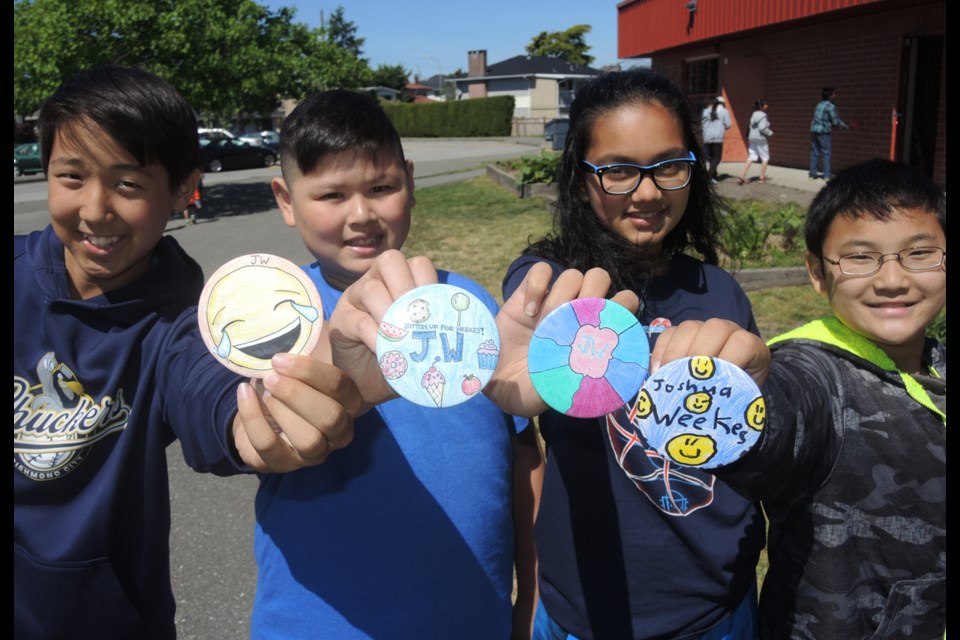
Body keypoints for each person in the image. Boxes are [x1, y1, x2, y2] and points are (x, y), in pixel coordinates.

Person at [13, 65, 362, 640]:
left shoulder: (184, 320)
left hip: (113, 620)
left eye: (128, 184)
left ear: (181, 189)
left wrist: (261, 426)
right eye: (71, 176)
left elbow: (210, 391)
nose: (95, 209)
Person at [253, 89, 543, 639]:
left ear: (408, 182)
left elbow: (524, 458)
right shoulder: (271, 323)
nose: (361, 214)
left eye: (381, 187)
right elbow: (253, 440)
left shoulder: (470, 306)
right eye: (331, 194)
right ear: (286, 200)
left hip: (471, 619)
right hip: (317, 623)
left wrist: (531, 596)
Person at [501, 68, 766, 639]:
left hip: (717, 606)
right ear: (579, 181)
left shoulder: (719, 290)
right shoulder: (549, 280)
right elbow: (535, 301)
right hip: (586, 607)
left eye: (669, 166)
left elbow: (748, 439)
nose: (647, 192)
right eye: (619, 171)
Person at [710, 159, 946, 638]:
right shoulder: (815, 373)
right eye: (860, 257)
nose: (893, 279)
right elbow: (781, 421)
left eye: (919, 253)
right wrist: (734, 398)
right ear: (817, 272)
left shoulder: (937, 358)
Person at [809, 87, 849, 180]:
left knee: (814, 152)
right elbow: (835, 121)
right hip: (823, 132)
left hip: (814, 131)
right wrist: (845, 126)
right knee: (826, 153)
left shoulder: (818, 105)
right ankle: (826, 175)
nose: (835, 95)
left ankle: (812, 174)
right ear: (830, 96)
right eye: (833, 94)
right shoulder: (831, 106)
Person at [738, 99, 772, 185]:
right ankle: (762, 177)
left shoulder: (753, 114)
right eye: (766, 104)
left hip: (752, 138)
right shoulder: (763, 115)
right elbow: (762, 128)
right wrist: (770, 133)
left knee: (751, 156)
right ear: (762, 106)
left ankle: (741, 176)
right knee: (765, 158)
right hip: (761, 139)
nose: (767, 106)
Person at [700, 95, 731, 183]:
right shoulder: (724, 111)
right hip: (717, 138)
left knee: (710, 158)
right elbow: (728, 124)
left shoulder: (706, 111)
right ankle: (708, 175)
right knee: (717, 158)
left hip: (707, 137)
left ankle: (713, 177)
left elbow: (702, 124)